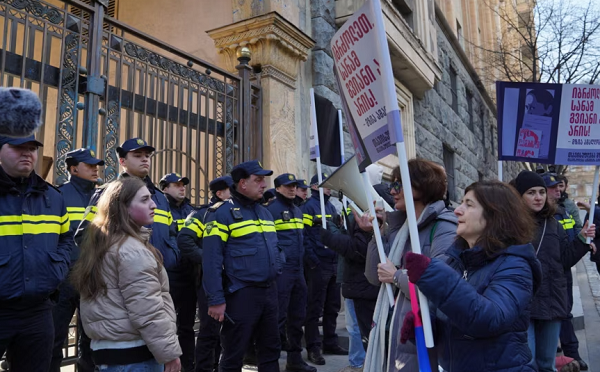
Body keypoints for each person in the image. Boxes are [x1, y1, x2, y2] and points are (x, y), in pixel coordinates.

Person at [403, 180, 542, 371]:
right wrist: (428, 327)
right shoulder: (456, 260)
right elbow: (458, 323)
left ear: (495, 215)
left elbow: (490, 319)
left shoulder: (515, 265)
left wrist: (435, 276)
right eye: (461, 203)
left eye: (469, 205)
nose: (457, 210)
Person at [71, 177, 181, 372]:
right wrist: (169, 354)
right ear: (124, 207)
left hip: (110, 353)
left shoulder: (106, 243)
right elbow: (148, 312)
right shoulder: (131, 251)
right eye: (144, 199)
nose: (153, 204)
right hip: (135, 356)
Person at [357, 159, 457, 372]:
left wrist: (397, 276)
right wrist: (378, 232)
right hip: (392, 330)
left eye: (397, 185)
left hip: (423, 333)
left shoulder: (444, 227)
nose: (391, 191)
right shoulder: (399, 226)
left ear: (420, 186)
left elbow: (441, 285)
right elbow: (375, 277)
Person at [0, 135, 73, 372]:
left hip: (38, 311)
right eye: (18, 147)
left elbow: (66, 238)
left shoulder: (52, 197)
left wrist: (57, 267)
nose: (27, 153)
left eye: (32, 148)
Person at [202, 160, 281, 372]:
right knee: (233, 355)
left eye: (264, 180)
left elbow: (275, 248)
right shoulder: (221, 213)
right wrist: (216, 299)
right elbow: (211, 260)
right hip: (241, 294)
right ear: (243, 183)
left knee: (271, 351)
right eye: (258, 180)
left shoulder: (264, 212)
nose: (264, 184)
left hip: (269, 293)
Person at [513, 171, 595, 372]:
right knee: (528, 363)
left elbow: (564, 260)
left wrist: (582, 239)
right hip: (523, 302)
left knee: (547, 364)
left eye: (541, 192)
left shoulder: (554, 222)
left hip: (551, 300)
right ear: (519, 195)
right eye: (531, 192)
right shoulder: (510, 224)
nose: (539, 197)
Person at [51, 148, 104, 372]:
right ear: (74, 169)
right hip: (64, 280)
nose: (95, 169)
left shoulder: (103, 196)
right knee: (54, 339)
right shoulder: (58, 195)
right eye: (89, 165)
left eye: (96, 165)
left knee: (91, 340)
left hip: (94, 278)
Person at [177, 175, 233, 372]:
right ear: (220, 193)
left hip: (233, 281)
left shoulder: (235, 212)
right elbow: (185, 240)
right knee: (209, 331)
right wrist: (210, 260)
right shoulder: (201, 214)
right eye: (230, 190)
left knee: (227, 332)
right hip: (209, 281)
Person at [266, 173, 316, 372]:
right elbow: (270, 243)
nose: (292, 189)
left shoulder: (297, 210)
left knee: (297, 316)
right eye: (288, 186)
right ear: (278, 188)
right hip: (282, 273)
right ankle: (271, 363)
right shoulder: (271, 210)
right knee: (276, 318)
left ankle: (294, 360)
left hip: (298, 271)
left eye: (294, 185)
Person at [541, 173, 590, 370]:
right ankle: (552, 354)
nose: (558, 190)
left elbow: (569, 242)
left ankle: (572, 355)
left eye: (558, 186)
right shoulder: (541, 216)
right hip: (545, 276)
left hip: (563, 272)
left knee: (565, 313)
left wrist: (582, 239)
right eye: (553, 187)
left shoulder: (563, 211)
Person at [302, 173, 347, 365]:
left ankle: (330, 342)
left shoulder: (330, 206)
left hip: (333, 262)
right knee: (314, 308)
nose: (329, 188)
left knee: (332, 307)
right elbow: (303, 236)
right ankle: (313, 347)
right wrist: (313, 261)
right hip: (318, 264)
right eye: (325, 185)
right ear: (314, 187)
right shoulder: (308, 207)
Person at [160, 172, 197, 372]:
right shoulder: (159, 208)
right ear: (165, 188)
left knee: (187, 326)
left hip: (189, 275)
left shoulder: (190, 210)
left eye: (183, 184)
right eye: (176, 185)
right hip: (168, 275)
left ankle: (187, 366)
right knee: (165, 326)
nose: (182, 187)